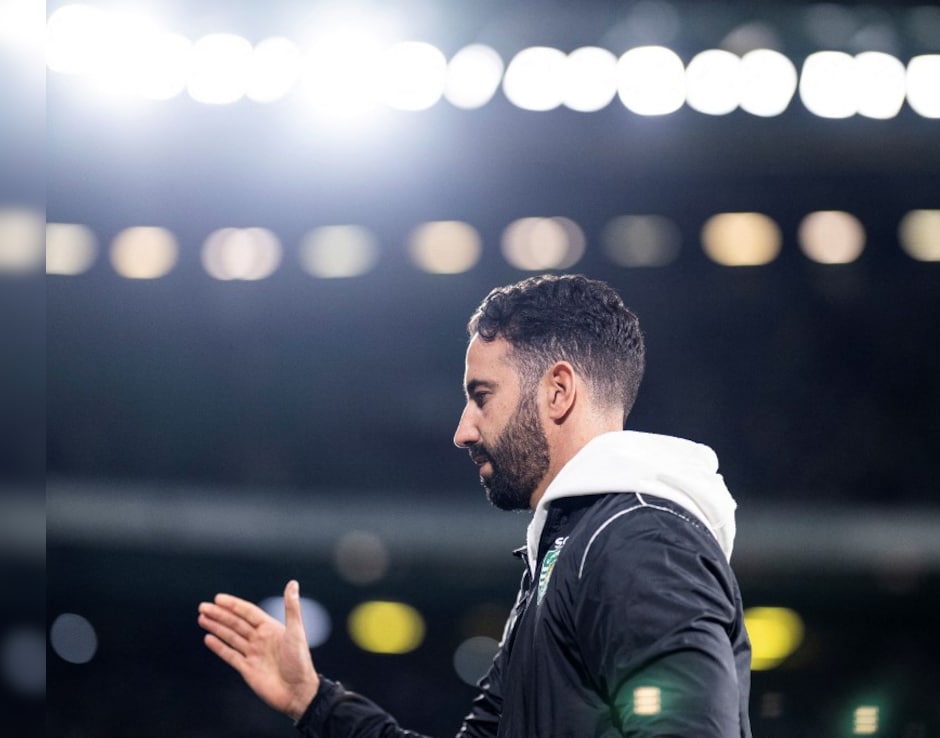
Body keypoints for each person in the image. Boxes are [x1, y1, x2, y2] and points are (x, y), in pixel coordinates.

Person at [198, 274, 753, 736]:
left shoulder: (639, 540)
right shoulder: (576, 548)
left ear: (558, 391)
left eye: (481, 396)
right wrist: (315, 701)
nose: (463, 430)